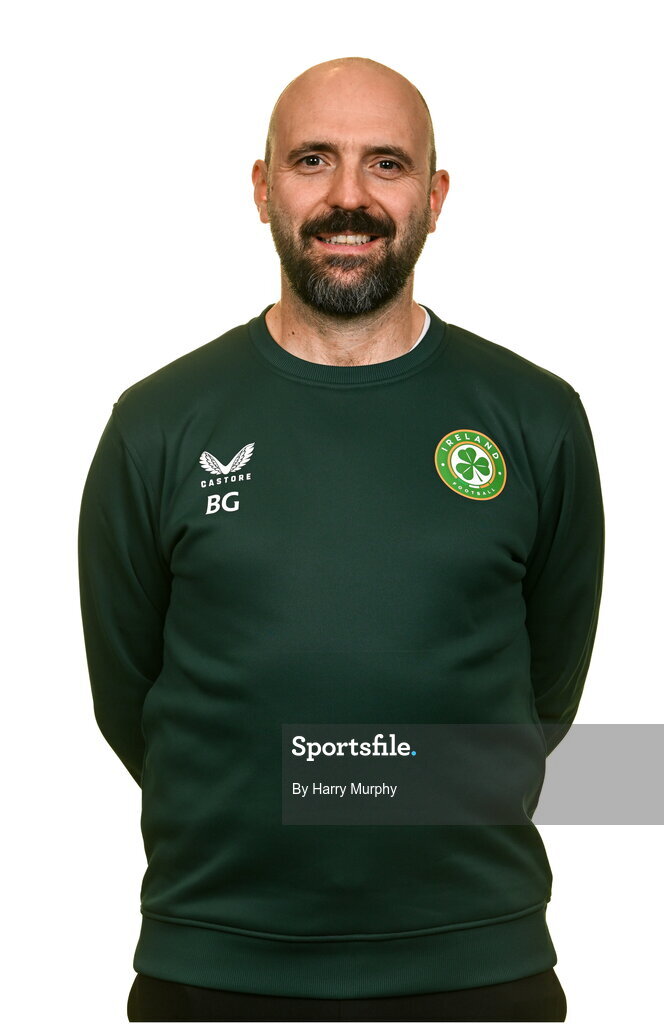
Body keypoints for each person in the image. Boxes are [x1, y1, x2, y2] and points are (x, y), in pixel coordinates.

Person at [78, 56, 604, 1022]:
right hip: (217, 971)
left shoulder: (537, 418)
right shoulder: (157, 425)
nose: (348, 197)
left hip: (478, 971)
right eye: (314, 160)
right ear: (263, 186)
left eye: (387, 164)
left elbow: (543, 695)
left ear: (436, 196)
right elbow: (132, 701)